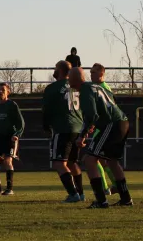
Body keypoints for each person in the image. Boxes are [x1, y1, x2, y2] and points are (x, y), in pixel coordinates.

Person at [69, 67, 134, 208]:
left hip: (112, 124)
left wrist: (82, 135)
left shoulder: (85, 91)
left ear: (74, 79)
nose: (68, 80)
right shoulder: (95, 86)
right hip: (122, 121)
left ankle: (101, 200)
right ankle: (126, 198)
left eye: (69, 77)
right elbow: (110, 103)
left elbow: (91, 115)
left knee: (90, 160)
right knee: (112, 161)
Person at [42, 60, 85, 202]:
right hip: (78, 127)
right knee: (72, 162)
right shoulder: (77, 87)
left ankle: (73, 194)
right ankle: (81, 193)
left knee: (59, 163)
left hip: (63, 128)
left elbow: (46, 111)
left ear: (59, 70)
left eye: (55, 68)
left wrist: (46, 127)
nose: (54, 71)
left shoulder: (52, 88)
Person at [90, 63, 118, 195]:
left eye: (94, 72)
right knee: (103, 160)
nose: (91, 74)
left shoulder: (101, 88)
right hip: (104, 126)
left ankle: (104, 188)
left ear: (101, 74)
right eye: (90, 72)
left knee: (92, 158)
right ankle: (116, 184)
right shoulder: (103, 87)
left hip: (103, 127)